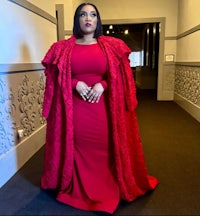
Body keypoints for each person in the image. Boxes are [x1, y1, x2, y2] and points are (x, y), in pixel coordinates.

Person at [41, 3, 158, 214]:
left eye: (93, 15)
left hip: (103, 108)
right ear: (77, 20)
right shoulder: (63, 48)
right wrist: (75, 83)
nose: (88, 18)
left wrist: (102, 85)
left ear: (97, 20)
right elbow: (57, 77)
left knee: (105, 145)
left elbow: (117, 77)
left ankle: (107, 186)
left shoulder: (111, 46)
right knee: (77, 145)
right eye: (83, 14)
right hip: (75, 110)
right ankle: (78, 186)